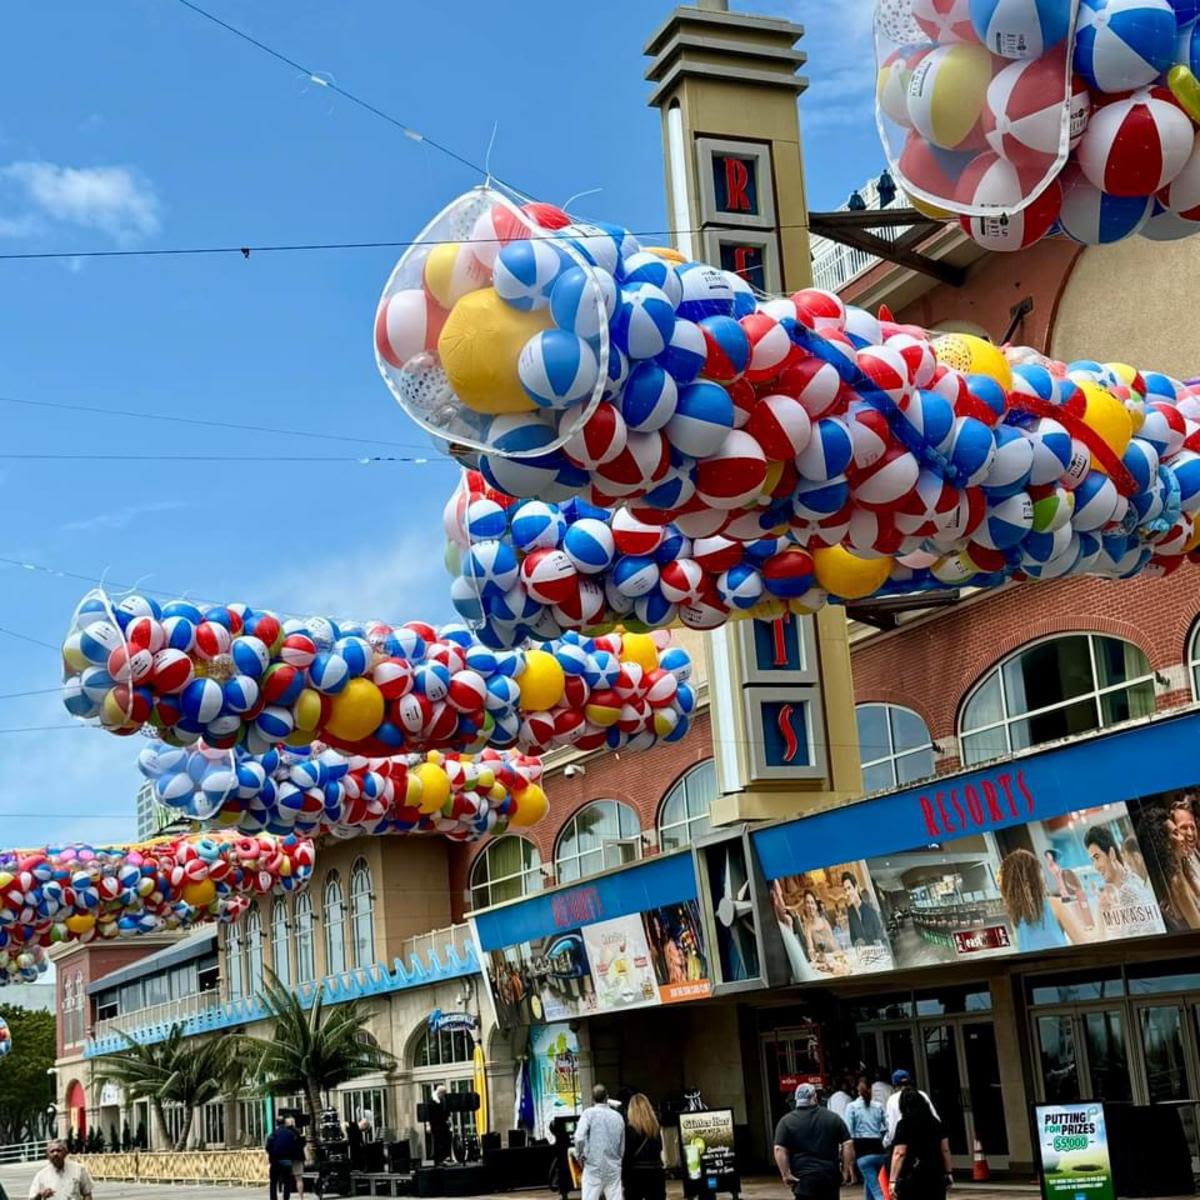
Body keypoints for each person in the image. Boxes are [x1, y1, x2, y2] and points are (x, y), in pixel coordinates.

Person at [773, 1082, 853, 1200]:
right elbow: (848, 1143)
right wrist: (845, 1171)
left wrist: (786, 1174)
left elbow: (779, 1148)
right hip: (829, 1179)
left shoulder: (786, 1122)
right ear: (814, 1096)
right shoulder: (833, 1118)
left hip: (802, 1182)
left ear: (796, 1099)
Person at [1085, 824, 1165, 938]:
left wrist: (1102, 914)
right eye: (1092, 860)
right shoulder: (1132, 880)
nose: (1095, 866)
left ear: (1111, 853)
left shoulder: (1127, 892)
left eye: (1097, 857)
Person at [888, 1089, 953, 1200]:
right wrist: (948, 1172)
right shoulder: (935, 1122)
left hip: (912, 1174)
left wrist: (893, 1180)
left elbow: (899, 1153)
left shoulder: (904, 1124)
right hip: (935, 1173)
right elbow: (945, 1150)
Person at [575, 1084, 626, 1200]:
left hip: (593, 1166)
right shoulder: (618, 1116)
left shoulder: (588, 1114)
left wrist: (580, 1155)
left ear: (592, 1099)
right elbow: (622, 1145)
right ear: (607, 1097)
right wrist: (618, 1159)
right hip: (613, 1166)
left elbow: (579, 1137)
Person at [845, 1077, 887, 1200]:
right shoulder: (878, 1106)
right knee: (870, 1185)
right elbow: (887, 1126)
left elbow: (849, 1132)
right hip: (879, 1149)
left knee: (876, 1190)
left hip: (862, 1150)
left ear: (857, 1090)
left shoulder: (851, 1107)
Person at [622, 1093, 664, 1200]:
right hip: (656, 1171)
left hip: (636, 1174)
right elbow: (660, 1148)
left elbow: (627, 1155)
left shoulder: (630, 1130)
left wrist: (623, 1176)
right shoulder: (655, 1127)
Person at [882, 1071, 939, 1149]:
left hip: (905, 1145)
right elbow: (936, 1118)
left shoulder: (892, 1099)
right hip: (927, 1141)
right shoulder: (922, 1094)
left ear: (895, 1085)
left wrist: (887, 1144)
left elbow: (892, 1128)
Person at [28, 1141, 93, 1200]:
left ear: (65, 1153)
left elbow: (87, 1194)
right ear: (47, 1155)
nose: (55, 1154)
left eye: (58, 1150)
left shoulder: (78, 1169)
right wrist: (40, 1194)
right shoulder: (41, 1176)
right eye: (52, 1151)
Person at [842, 874, 886, 948]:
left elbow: (881, 937)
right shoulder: (850, 912)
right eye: (845, 890)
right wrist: (857, 944)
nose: (847, 893)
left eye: (849, 888)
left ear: (855, 887)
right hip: (862, 955)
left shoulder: (871, 910)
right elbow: (853, 938)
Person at [266, 1118, 305, 1200]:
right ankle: (286, 1198)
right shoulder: (290, 1134)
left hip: (275, 1161)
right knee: (287, 1182)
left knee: (273, 1182)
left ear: (276, 1124)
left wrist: (272, 1155)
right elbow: (295, 1146)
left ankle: (273, 1198)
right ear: (284, 1123)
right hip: (287, 1161)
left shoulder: (273, 1134)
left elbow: (268, 1147)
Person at [428, 1085, 452, 1165]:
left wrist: (448, 1118)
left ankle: (445, 1157)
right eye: (443, 1093)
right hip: (436, 1124)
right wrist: (429, 1125)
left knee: (446, 1138)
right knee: (437, 1142)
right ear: (440, 1093)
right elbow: (430, 1114)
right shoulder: (432, 1100)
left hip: (442, 1123)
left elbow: (446, 1110)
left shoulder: (443, 1099)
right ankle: (438, 1159)